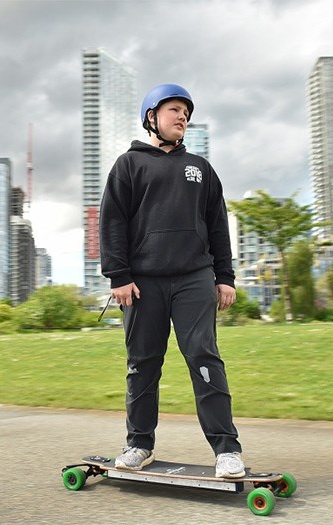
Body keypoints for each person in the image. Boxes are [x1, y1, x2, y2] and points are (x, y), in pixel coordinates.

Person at [98, 83, 245, 478]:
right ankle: (138, 444)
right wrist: (119, 275)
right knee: (143, 363)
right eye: (175, 110)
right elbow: (112, 222)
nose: (183, 118)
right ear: (152, 116)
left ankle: (226, 450)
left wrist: (224, 276)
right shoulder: (128, 165)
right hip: (142, 283)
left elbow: (218, 225)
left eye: (187, 113)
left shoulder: (200, 167)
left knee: (204, 357)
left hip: (194, 278)